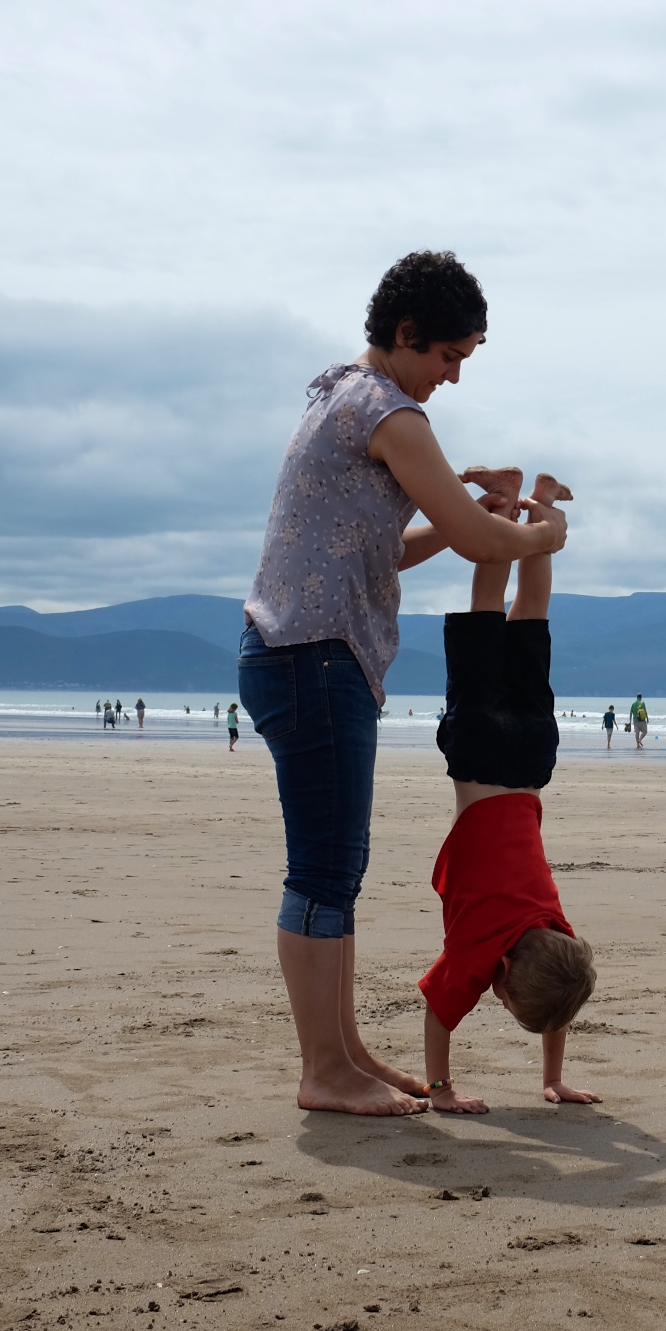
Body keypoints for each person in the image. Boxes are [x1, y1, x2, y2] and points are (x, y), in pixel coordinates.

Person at [239, 249, 567, 1118]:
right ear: (407, 334)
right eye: (450, 356)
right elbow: (473, 545)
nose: (453, 377)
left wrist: (486, 526)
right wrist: (542, 535)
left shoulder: (342, 393)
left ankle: (343, 1052)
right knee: (322, 871)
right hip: (313, 656)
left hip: (297, 653)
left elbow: (394, 546)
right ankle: (324, 1069)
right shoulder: (392, 413)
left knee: (337, 868)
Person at [420, 477, 597, 1115]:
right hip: (477, 753)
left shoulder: (555, 930)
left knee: (529, 626)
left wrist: (554, 1080)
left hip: (531, 759)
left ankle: (537, 507)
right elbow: (439, 1016)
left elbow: (562, 991)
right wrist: (440, 1092)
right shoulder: (480, 950)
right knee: (484, 616)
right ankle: (493, 510)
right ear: (504, 978)